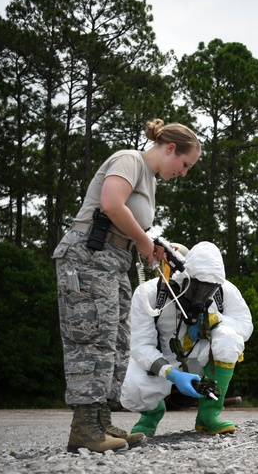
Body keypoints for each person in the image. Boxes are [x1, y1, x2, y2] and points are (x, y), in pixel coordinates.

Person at [53, 118, 200, 453]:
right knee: (90, 338)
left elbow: (128, 222)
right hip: (88, 258)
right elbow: (111, 203)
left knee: (116, 340)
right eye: (185, 164)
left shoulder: (148, 178)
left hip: (113, 261)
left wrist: (149, 243)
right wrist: (143, 240)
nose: (184, 172)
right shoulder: (129, 160)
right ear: (171, 148)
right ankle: (84, 427)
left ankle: (100, 421)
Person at [121, 241, 253, 436]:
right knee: (131, 385)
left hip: (200, 356)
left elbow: (245, 325)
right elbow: (141, 346)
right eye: (197, 287)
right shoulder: (149, 294)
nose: (202, 294)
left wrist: (216, 321)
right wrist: (171, 374)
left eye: (208, 289)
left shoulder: (225, 291)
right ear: (183, 276)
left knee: (229, 339)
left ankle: (208, 417)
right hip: (162, 358)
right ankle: (150, 416)